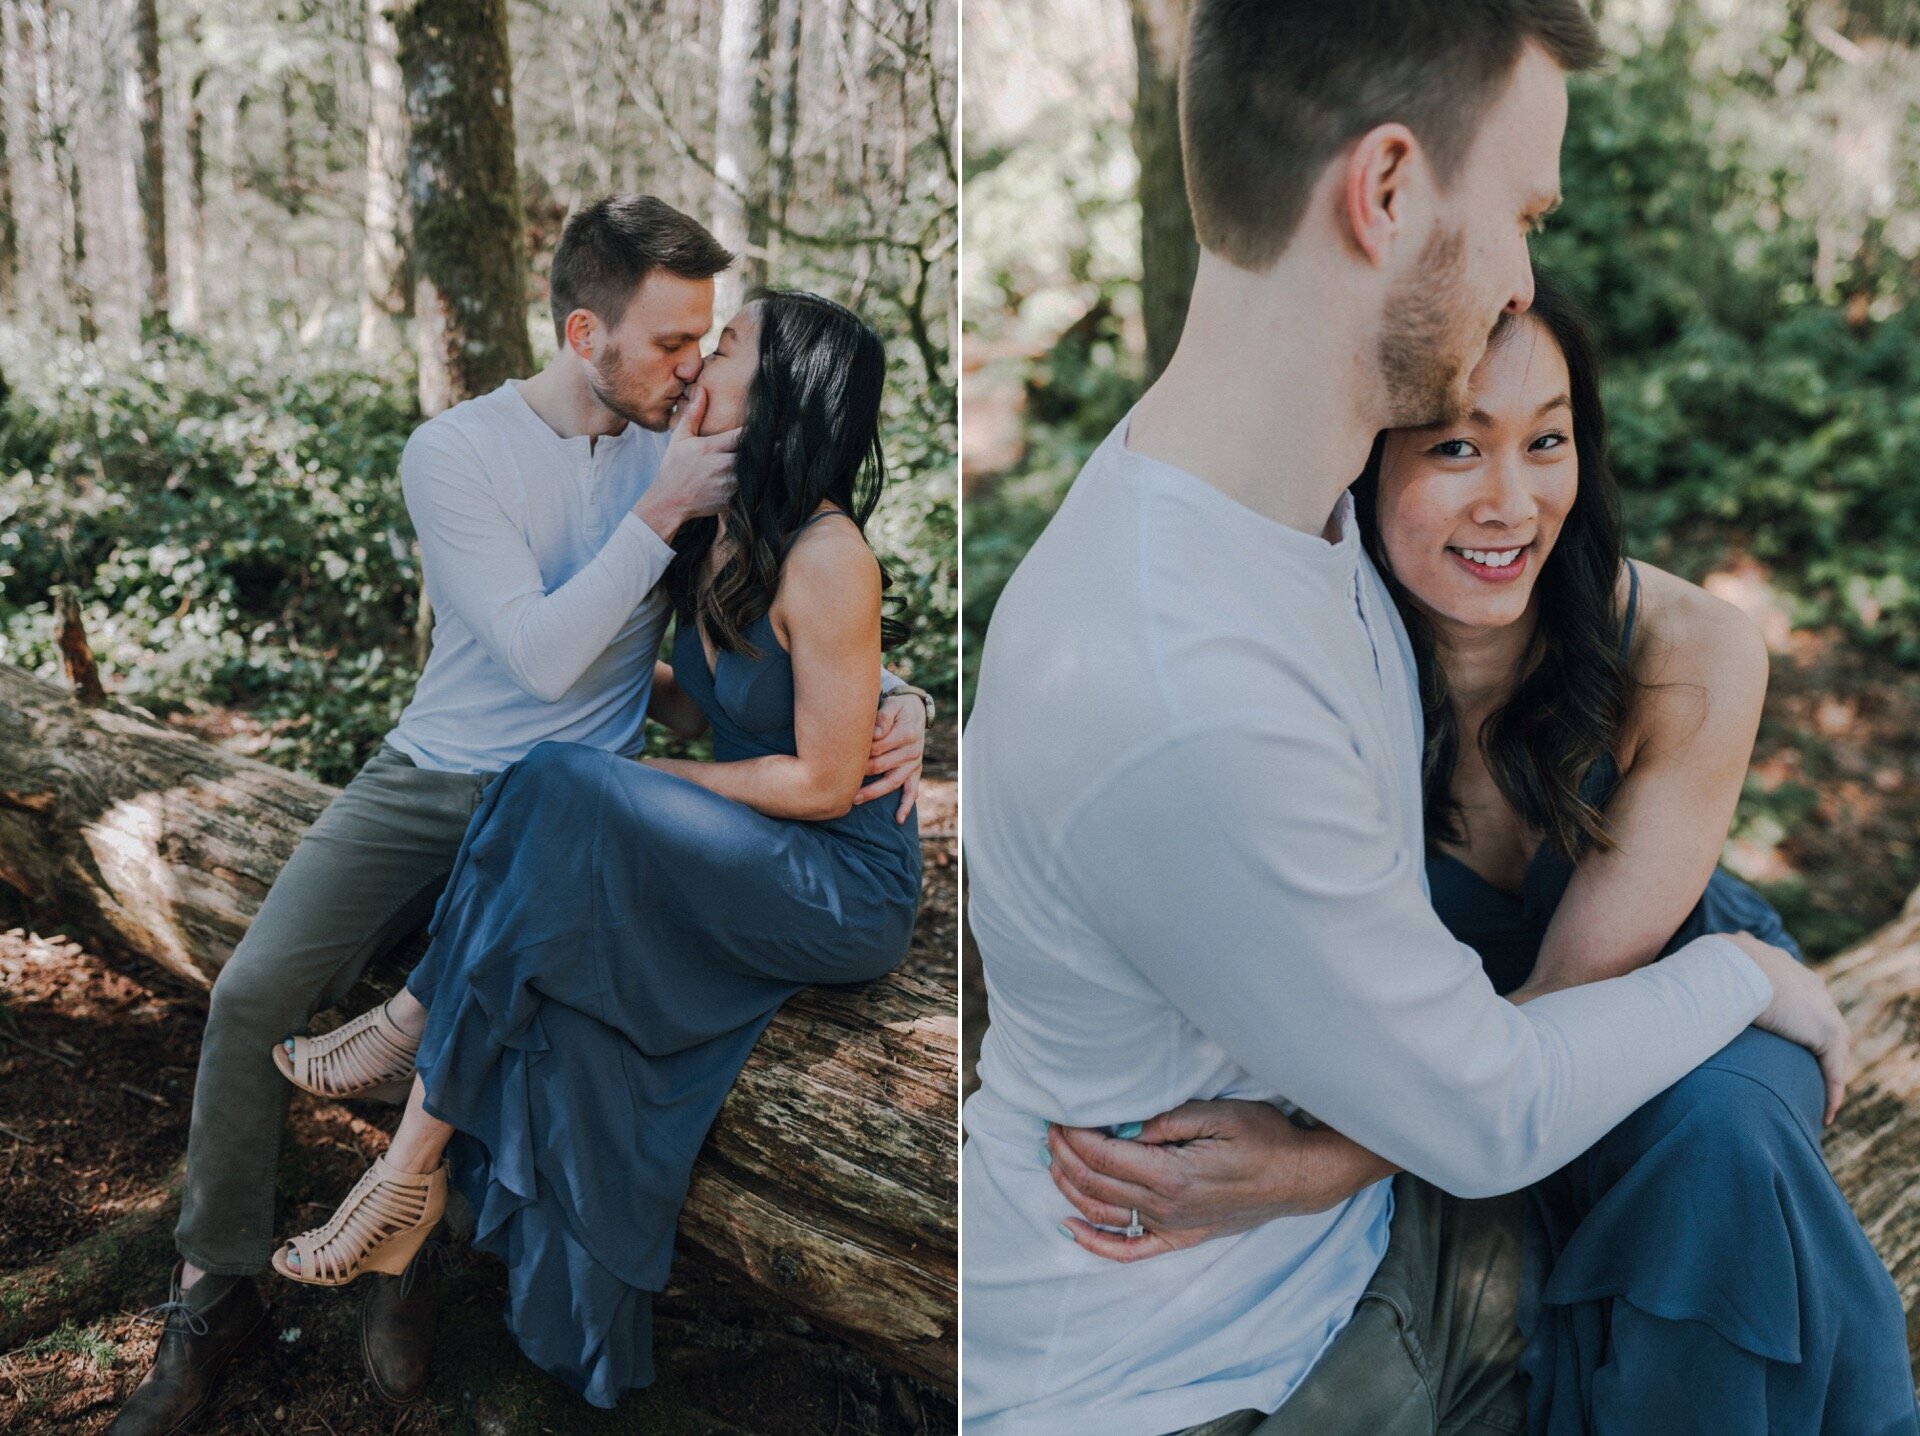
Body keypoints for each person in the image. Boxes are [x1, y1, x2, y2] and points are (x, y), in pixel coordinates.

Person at [958, 5, 1852, 1434]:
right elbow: (1487, 1113)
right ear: (1384, 192)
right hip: (1203, 1373)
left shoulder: (1296, 510)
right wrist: (1746, 976)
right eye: (1521, 213)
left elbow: (1581, 577)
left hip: (1377, 1256)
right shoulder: (1184, 687)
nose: (1523, 277)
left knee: (1733, 1196)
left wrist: (1713, 648)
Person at [1042, 273, 1920, 1434]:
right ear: (1369, 458)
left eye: (1546, 440)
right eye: (1457, 446)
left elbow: (1573, 996)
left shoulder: (1692, 647)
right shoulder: (1296, 678)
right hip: (1436, 1068)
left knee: (1725, 1143)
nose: (1512, 500)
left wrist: (1316, 1164)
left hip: (1659, 1005)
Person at [108, 199, 932, 1435]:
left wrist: (892, 695)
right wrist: (665, 526)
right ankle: (209, 1290)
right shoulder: (461, 453)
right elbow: (549, 657)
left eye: (713, 341)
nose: (694, 365)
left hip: (579, 801)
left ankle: (404, 1237)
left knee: (535, 941)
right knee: (251, 995)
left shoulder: (693, 458)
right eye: (671, 343)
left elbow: (788, 625)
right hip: (440, 780)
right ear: (584, 330)